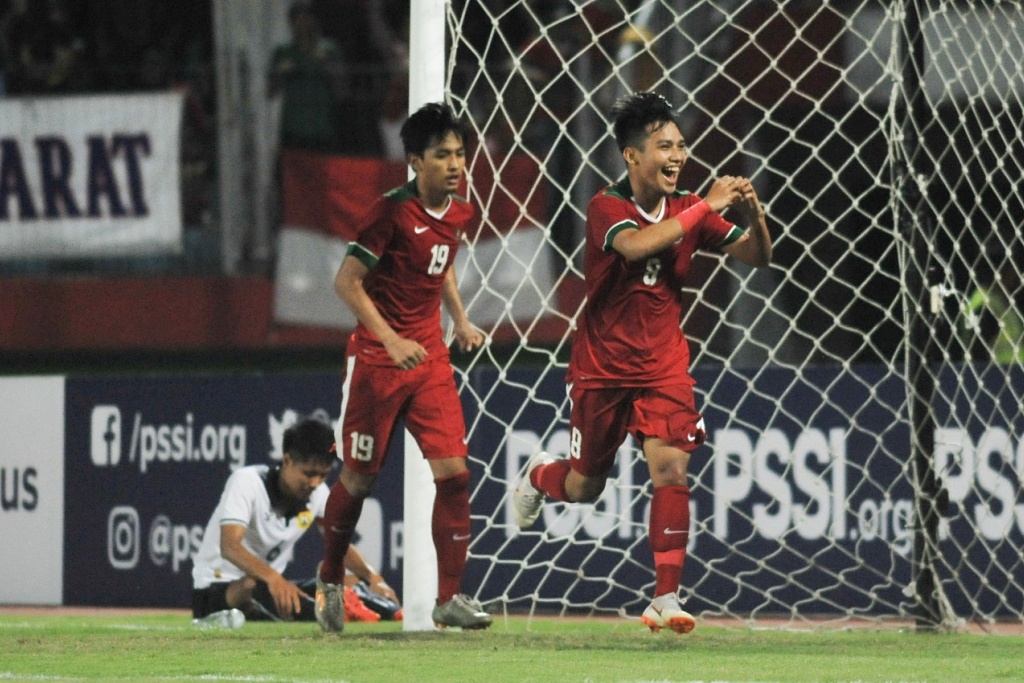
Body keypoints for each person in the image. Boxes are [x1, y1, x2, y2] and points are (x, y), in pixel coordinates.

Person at [512, 92, 772, 634]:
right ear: (632, 157)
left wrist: (753, 213)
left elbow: (755, 256)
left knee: (672, 468)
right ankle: (537, 476)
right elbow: (635, 247)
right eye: (664, 146)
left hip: (664, 367)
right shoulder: (605, 206)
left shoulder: (692, 208)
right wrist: (709, 207)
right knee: (585, 486)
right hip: (601, 367)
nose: (677, 155)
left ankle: (666, 597)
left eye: (680, 144)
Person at [315, 102, 492, 632]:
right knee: (359, 480)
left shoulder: (459, 211)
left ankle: (448, 598)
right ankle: (329, 578)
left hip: (430, 358)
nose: (456, 165)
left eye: (460, 154)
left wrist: (459, 320)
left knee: (456, 476)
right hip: (377, 362)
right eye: (443, 155)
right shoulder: (389, 212)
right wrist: (388, 340)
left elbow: (444, 265)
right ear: (415, 161)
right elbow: (346, 282)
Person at [191, 416, 401, 628]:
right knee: (253, 585)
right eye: (309, 473)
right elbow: (230, 547)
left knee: (346, 583)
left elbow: (339, 544)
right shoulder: (247, 482)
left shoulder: (318, 494)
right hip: (216, 591)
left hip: (272, 588)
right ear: (287, 460)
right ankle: (336, 613)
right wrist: (273, 578)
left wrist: (373, 578)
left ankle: (390, 611)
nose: (315, 483)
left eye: (323, 475)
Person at [267, 1, 345, 153]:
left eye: (306, 18)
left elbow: (342, 90)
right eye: (298, 19)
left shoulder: (328, 49)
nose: (302, 24)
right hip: (293, 128)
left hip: (322, 128)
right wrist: (280, 73)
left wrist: (327, 67)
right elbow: (270, 91)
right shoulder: (283, 52)